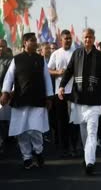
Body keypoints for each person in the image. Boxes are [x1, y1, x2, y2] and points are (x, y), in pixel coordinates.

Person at [58, 28, 101, 175]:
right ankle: (88, 156)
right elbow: (68, 71)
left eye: (90, 37)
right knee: (84, 134)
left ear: (94, 39)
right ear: (82, 38)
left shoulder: (99, 56)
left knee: (92, 132)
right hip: (78, 101)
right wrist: (61, 86)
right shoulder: (77, 53)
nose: (88, 40)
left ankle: (90, 163)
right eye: (85, 37)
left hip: (94, 101)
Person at [0, 32, 53, 169]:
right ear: (25, 43)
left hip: (38, 99)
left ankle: (38, 151)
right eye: (32, 40)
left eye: (35, 40)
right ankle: (27, 157)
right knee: (22, 130)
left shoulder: (41, 60)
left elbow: (47, 79)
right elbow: (9, 78)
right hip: (20, 100)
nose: (35, 42)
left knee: (35, 129)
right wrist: (5, 93)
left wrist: (49, 97)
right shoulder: (16, 60)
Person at [48, 30, 79, 157]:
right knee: (62, 120)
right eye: (65, 38)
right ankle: (64, 147)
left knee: (74, 120)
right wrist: (58, 72)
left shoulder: (76, 53)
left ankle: (74, 146)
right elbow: (48, 70)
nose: (68, 40)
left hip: (74, 91)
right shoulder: (56, 54)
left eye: (69, 38)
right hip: (59, 92)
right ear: (61, 40)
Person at [0, 39, 13, 157]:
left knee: (4, 121)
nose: (0, 49)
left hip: (4, 95)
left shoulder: (10, 61)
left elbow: (11, 78)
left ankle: (4, 142)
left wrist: (8, 93)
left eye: (2, 47)